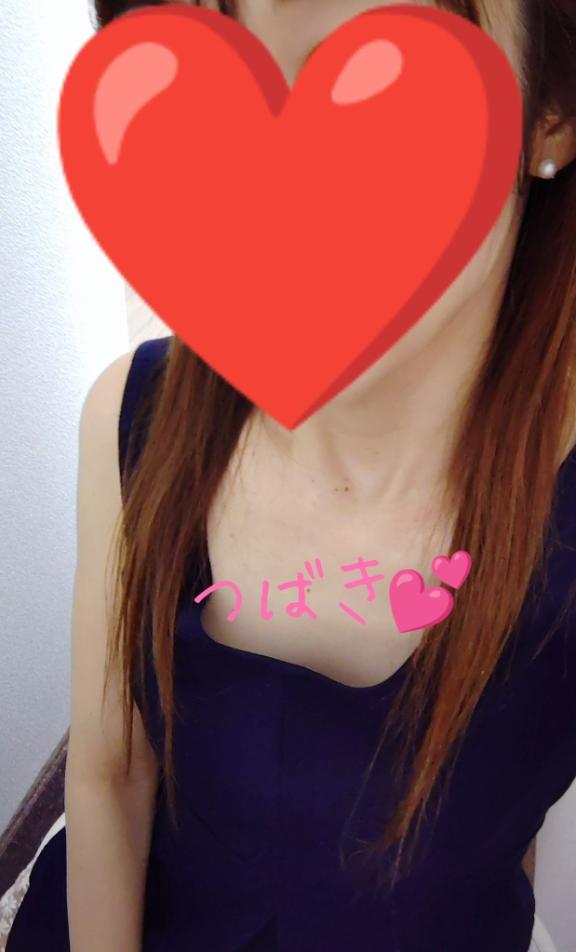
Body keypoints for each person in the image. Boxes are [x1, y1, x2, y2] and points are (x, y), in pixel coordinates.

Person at [7, 0, 576, 950]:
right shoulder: (131, 420)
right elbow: (110, 772)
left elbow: (499, 825)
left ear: (550, 108)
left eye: (383, 76)